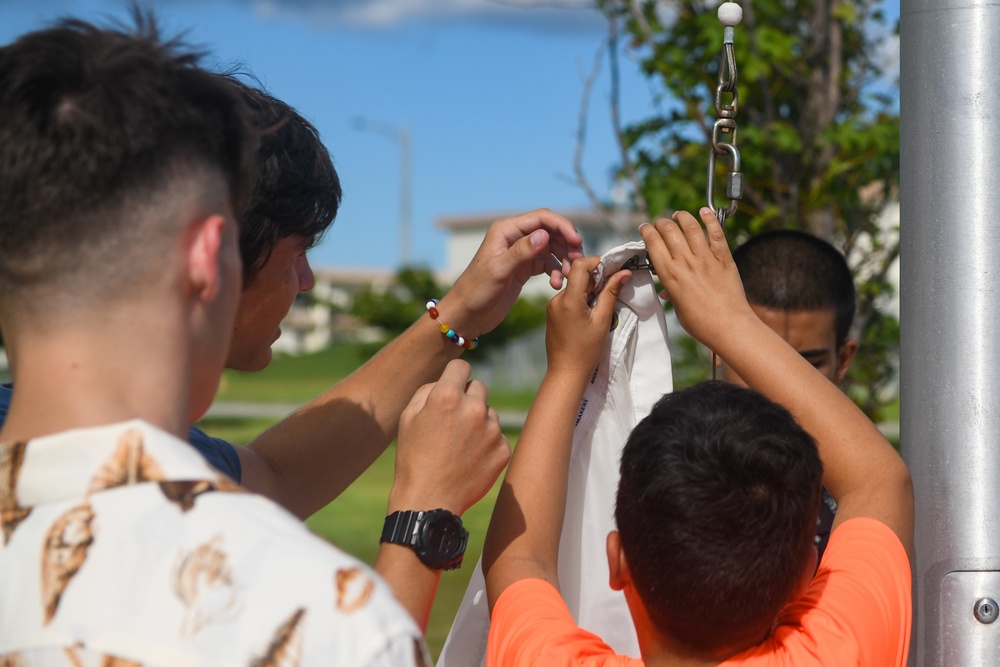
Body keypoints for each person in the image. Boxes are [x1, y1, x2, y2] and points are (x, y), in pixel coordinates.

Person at [0, 61, 584, 630]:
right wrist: (422, 519)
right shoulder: (281, 605)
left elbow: (276, 476)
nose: (305, 280)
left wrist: (458, 315)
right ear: (210, 255)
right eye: (298, 249)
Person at [482, 209, 913, 665]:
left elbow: (519, 558)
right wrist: (730, 321)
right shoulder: (838, 653)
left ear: (619, 559)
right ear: (807, 573)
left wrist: (566, 371)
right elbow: (878, 481)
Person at [723, 229, 860, 559]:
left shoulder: (858, 499)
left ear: (843, 360)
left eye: (807, 366)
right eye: (756, 363)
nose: (778, 395)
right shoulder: (672, 473)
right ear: (717, 350)